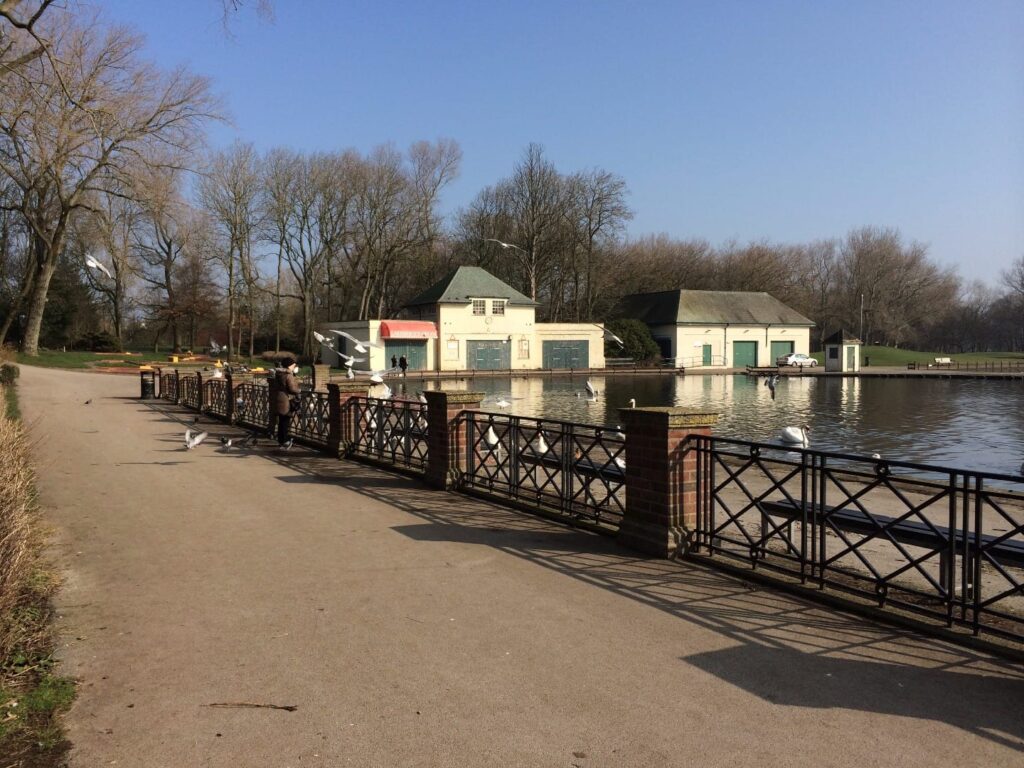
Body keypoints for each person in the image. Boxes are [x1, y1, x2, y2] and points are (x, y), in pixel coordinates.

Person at [272, 357, 301, 449]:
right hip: (286, 400)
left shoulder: (279, 374)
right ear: (289, 365)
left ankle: (281, 440)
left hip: (279, 398)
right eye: (293, 365)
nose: (294, 366)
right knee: (285, 421)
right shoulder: (288, 375)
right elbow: (292, 388)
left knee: (281, 421)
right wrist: (299, 390)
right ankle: (285, 440)